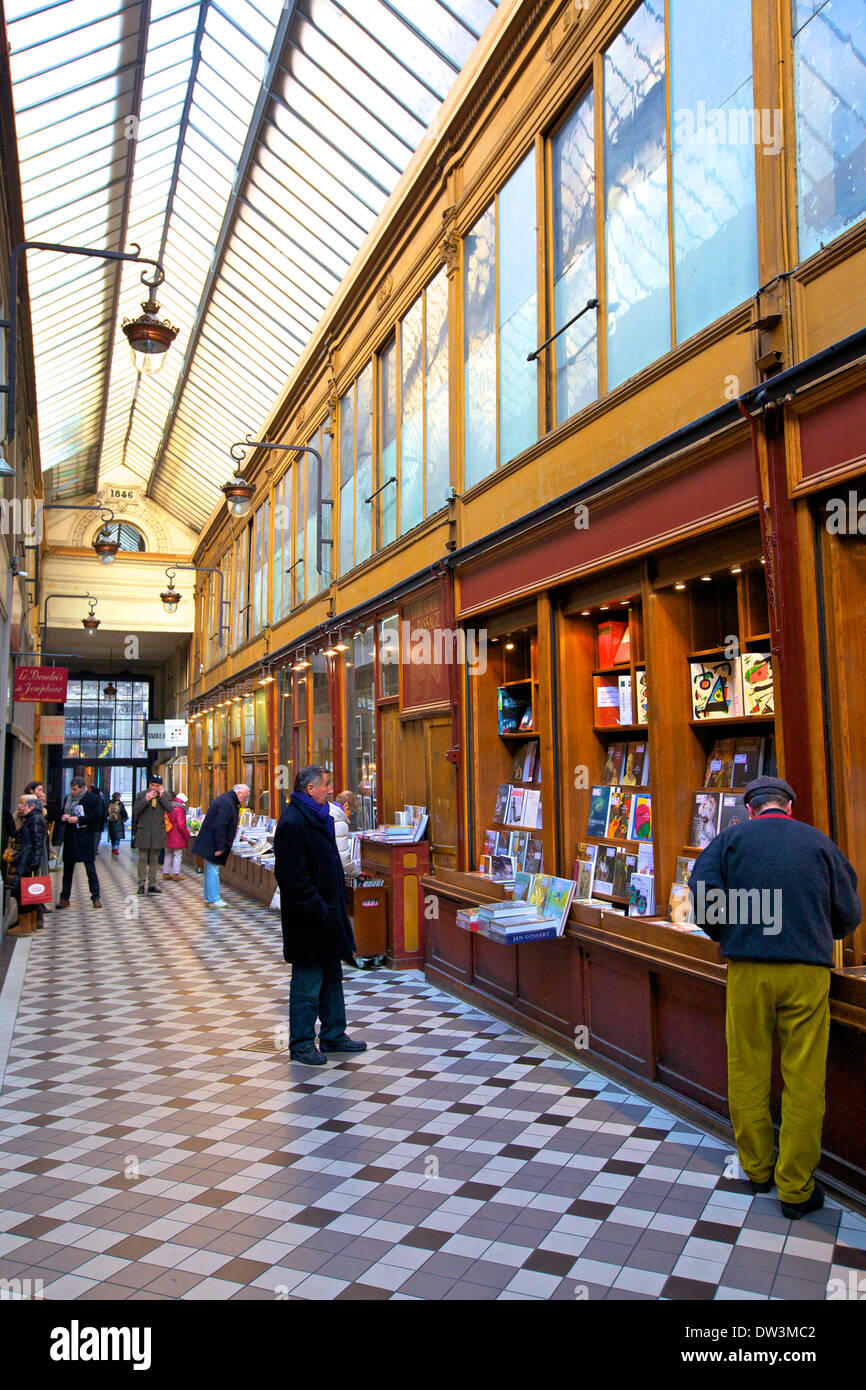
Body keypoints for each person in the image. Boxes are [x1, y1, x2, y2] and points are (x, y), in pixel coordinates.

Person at [689, 775, 861, 1221]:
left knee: (746, 1067)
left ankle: (757, 1169)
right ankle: (796, 1189)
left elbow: (703, 902)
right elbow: (849, 913)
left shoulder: (730, 840)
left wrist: (730, 933)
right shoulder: (819, 843)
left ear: (750, 808)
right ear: (790, 807)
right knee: (804, 1078)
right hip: (807, 972)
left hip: (748, 969)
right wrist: (821, 933)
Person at [274, 765, 364, 1066]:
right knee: (307, 982)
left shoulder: (318, 817)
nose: (330, 789)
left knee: (331, 977)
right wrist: (319, 909)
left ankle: (334, 1034)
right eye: (326, 784)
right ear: (309, 789)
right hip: (309, 921)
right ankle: (300, 1043)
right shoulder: (293, 822)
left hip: (327, 916)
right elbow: (292, 878)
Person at [190, 783, 248, 906]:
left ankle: (209, 896)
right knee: (213, 870)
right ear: (239, 793)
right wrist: (220, 847)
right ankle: (214, 898)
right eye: (245, 797)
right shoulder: (227, 803)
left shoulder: (226, 799)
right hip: (213, 843)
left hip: (210, 841)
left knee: (210, 869)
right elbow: (220, 826)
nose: (244, 800)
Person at [57, 776, 103, 909]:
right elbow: (60, 814)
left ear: (82, 788)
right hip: (70, 837)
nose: (72, 792)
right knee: (68, 870)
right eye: (71, 789)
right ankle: (65, 897)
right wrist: (64, 817)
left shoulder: (92, 799)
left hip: (85, 837)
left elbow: (97, 817)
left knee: (90, 869)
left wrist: (79, 820)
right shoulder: (68, 799)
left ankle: (95, 897)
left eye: (75, 789)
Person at [6, 793, 48, 934]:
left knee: (23, 892)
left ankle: (25, 925)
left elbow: (37, 843)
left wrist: (34, 862)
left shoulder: (34, 819)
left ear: (30, 806)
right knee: (23, 892)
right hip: (25, 859)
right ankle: (28, 923)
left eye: (22, 804)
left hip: (25, 861)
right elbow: (19, 837)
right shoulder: (30, 819)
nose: (19, 806)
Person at [131, 776, 174, 895]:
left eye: (157, 785)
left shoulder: (165, 796)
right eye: (153, 785)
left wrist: (161, 797)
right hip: (144, 831)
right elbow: (135, 810)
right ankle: (141, 884)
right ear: (149, 785)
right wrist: (146, 800)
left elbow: (170, 809)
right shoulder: (141, 795)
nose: (154, 788)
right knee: (142, 859)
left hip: (157, 832)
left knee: (154, 859)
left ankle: (152, 884)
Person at [329, 789, 359, 876]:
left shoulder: (329, 811)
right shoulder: (340, 822)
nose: (350, 816)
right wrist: (357, 873)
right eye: (352, 812)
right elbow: (343, 859)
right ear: (346, 805)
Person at [164, 792, 190, 880]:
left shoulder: (169, 807)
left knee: (168, 854)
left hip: (168, 834)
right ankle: (176, 874)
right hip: (177, 835)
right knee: (177, 854)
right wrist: (186, 834)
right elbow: (181, 825)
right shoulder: (179, 809)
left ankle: (166, 873)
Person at [106, 792, 128, 856]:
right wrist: (125, 818)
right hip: (118, 821)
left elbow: (106, 812)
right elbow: (123, 812)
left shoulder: (109, 803)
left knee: (113, 836)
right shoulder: (120, 804)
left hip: (111, 821)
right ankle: (116, 849)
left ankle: (113, 848)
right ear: (118, 797)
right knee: (117, 837)